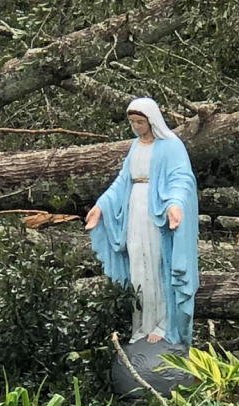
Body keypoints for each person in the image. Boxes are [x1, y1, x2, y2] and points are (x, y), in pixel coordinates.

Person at [85, 97, 199, 346]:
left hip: (156, 214)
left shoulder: (171, 146)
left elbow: (182, 179)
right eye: (133, 122)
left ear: (152, 120)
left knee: (157, 264)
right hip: (134, 211)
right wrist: (101, 206)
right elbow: (122, 181)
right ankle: (142, 324)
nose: (136, 127)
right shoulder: (136, 146)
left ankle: (163, 323)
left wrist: (175, 204)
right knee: (137, 264)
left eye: (140, 122)